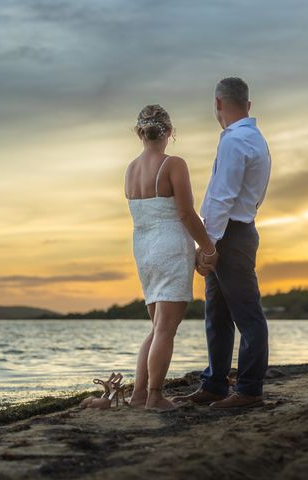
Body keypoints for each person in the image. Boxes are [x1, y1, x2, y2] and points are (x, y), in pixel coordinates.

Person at [173, 77, 272, 409]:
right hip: (236, 231)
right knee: (216, 313)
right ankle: (215, 384)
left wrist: (210, 246)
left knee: (246, 314)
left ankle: (249, 390)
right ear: (248, 104)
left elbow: (221, 198)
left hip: (230, 234)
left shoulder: (235, 141)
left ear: (217, 103)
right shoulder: (255, 139)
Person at [124, 104, 219, 411]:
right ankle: (154, 396)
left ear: (139, 132)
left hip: (143, 248)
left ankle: (139, 395)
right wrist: (207, 247)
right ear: (170, 132)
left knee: (156, 327)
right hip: (169, 245)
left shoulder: (131, 169)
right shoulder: (173, 164)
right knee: (165, 329)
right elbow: (186, 213)